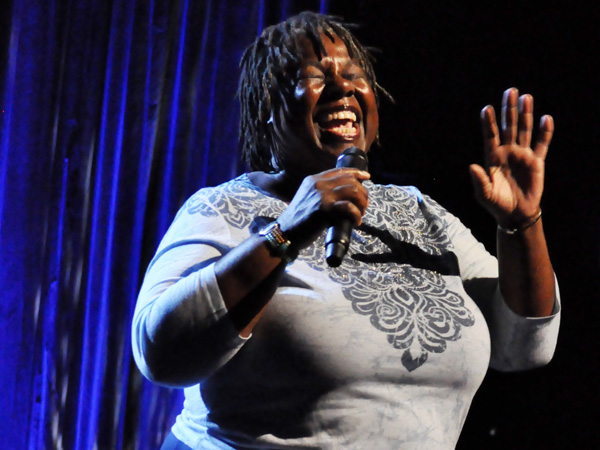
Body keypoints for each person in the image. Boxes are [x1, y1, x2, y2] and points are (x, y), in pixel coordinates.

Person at [132, 11, 560, 450]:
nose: (343, 88)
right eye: (316, 77)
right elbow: (159, 353)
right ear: (268, 107)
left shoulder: (420, 212)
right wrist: (286, 233)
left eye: (355, 76)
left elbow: (525, 346)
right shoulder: (224, 208)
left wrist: (522, 225)